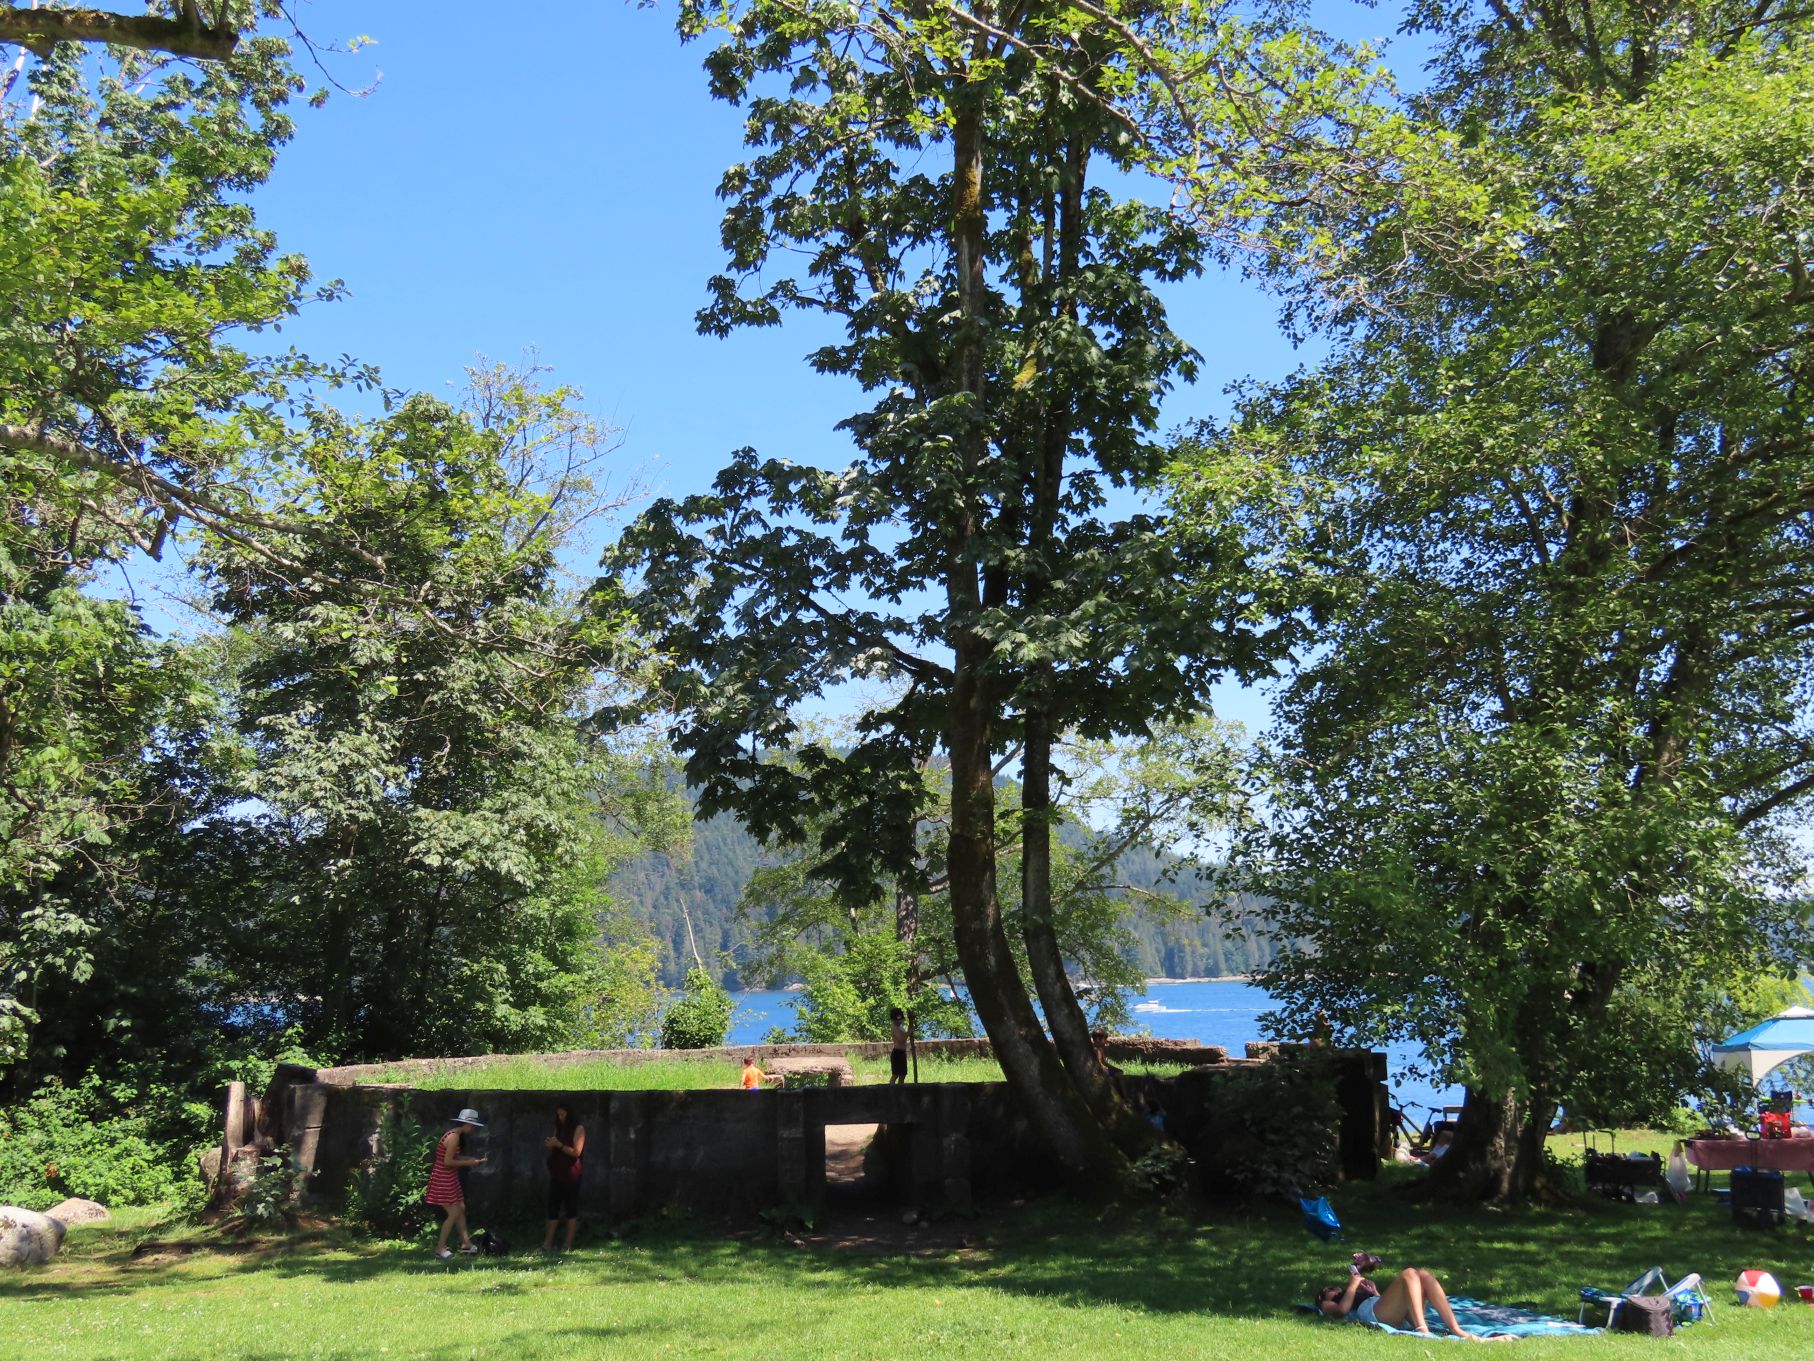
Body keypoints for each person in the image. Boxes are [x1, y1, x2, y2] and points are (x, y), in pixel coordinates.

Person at [1318, 1265, 1485, 1340]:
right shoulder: (1326, 1302)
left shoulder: (1352, 1294)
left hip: (1385, 1310)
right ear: (1323, 1297)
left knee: (1424, 1275)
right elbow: (1342, 1310)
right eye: (1330, 1290)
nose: (1335, 1290)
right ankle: (1422, 1329)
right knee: (1409, 1273)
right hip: (1373, 1314)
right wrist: (1352, 1286)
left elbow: (1386, 1304)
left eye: (1335, 1288)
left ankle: (1456, 1329)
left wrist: (1374, 1293)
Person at [426, 1108, 488, 1259]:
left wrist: (470, 1159)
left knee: (460, 1208)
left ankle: (466, 1244)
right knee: (453, 1213)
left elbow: (454, 1156)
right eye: (473, 1126)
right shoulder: (453, 1137)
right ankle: (440, 1249)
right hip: (443, 1179)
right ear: (467, 1124)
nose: (474, 1129)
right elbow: (447, 1162)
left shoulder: (454, 1135)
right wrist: (468, 1163)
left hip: (449, 1177)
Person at [541, 1104, 586, 1253]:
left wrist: (559, 1145)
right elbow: (555, 1144)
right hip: (557, 1172)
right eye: (558, 1115)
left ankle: (568, 1244)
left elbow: (576, 1152)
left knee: (571, 1209)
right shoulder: (558, 1128)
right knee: (552, 1208)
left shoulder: (578, 1129)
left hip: (571, 1174)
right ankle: (547, 1244)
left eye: (563, 1115)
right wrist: (551, 1144)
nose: (560, 1118)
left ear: (569, 1114)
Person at [889, 1008, 910, 1086]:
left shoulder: (900, 1026)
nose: (898, 1022)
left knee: (902, 1075)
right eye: (896, 1020)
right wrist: (909, 1032)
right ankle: (891, 1090)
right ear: (893, 1020)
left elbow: (903, 1037)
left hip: (902, 1053)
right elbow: (901, 1039)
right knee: (896, 1074)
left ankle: (900, 1090)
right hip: (897, 1053)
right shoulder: (894, 1027)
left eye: (900, 1020)